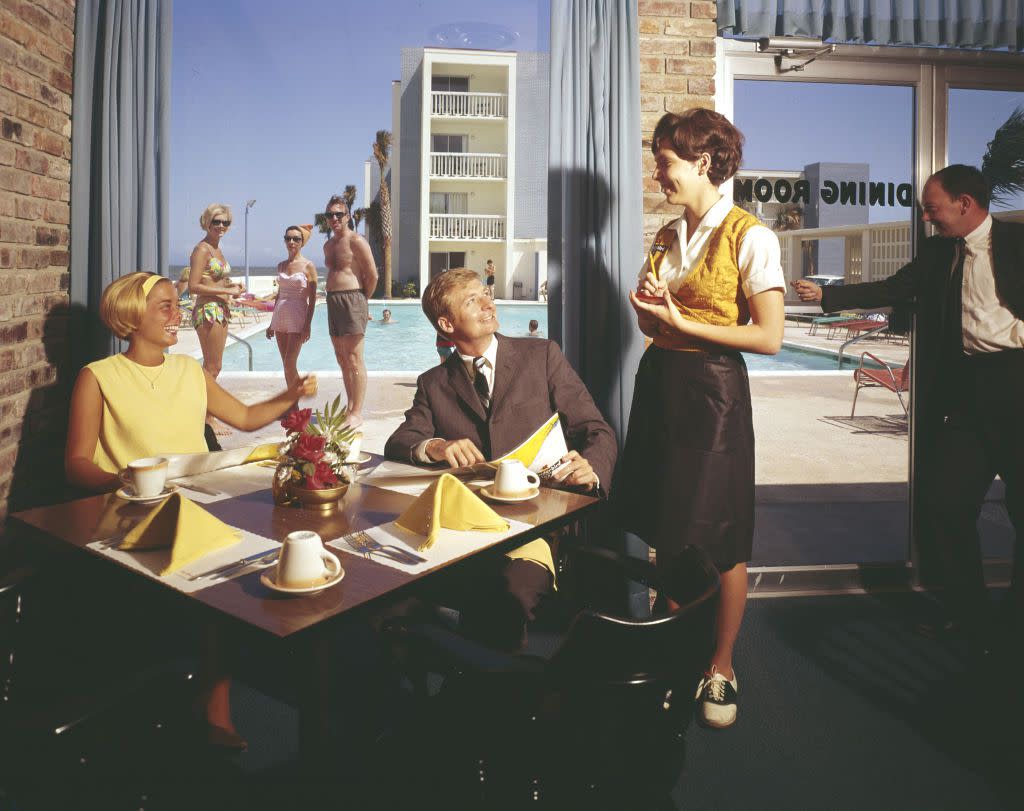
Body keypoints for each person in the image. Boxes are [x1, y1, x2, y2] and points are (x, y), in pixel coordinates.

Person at [65, 272, 318, 749]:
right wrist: (123, 478)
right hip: (130, 512)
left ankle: (216, 697)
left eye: (174, 304)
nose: (175, 313)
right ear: (130, 315)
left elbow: (243, 419)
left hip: (193, 505)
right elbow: (76, 465)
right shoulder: (97, 377)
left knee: (247, 556)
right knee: (219, 570)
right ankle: (211, 707)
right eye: (163, 305)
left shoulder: (188, 370)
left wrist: (291, 395)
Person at [793, 164, 1024, 654]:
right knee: (944, 506)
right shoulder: (940, 253)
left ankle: (1014, 629)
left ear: (965, 203)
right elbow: (893, 288)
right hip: (966, 398)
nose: (926, 215)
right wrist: (827, 295)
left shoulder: (1018, 242)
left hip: (1017, 387)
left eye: (932, 206)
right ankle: (972, 619)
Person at [613, 110, 785, 729]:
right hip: (661, 382)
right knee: (666, 521)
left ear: (703, 162)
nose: (659, 173)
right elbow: (651, 323)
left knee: (720, 535)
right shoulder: (665, 236)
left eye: (666, 162)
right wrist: (650, 314)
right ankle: (668, 644)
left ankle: (720, 663)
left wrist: (684, 323)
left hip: (713, 393)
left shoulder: (751, 236)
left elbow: (769, 338)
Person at [385, 268, 617, 650]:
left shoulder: (542, 356)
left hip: (535, 529)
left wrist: (591, 471)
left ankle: (485, 692)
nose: (487, 303)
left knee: (506, 598)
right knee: (394, 596)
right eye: (471, 300)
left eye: (485, 294)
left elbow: (597, 430)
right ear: (447, 323)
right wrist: (437, 446)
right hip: (464, 532)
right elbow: (402, 441)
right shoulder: (433, 384)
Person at [188, 203, 246, 445]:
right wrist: (225, 291)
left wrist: (231, 287)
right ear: (207, 222)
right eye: (216, 222)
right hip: (209, 310)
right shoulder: (202, 250)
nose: (221, 226)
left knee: (215, 366)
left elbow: (214, 280)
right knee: (212, 366)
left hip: (220, 309)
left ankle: (203, 413)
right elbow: (193, 286)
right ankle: (206, 416)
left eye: (225, 223)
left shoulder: (217, 250)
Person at [323, 195, 378, 429]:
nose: (334, 218)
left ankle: (357, 412)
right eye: (330, 215)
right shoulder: (328, 245)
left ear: (347, 217)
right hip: (333, 301)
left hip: (353, 298)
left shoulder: (356, 241)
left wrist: (362, 300)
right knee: (341, 358)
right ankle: (350, 406)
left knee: (355, 359)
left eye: (338, 214)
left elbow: (372, 274)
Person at [266, 225, 318, 394]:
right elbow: (279, 295)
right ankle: (294, 407)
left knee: (290, 364)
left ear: (302, 242)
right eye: (288, 238)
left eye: (296, 239)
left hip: (298, 316)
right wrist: (271, 323)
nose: (291, 242)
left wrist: (307, 325)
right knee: (286, 365)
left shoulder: (308, 266)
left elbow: (313, 299)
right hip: (280, 316)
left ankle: (295, 402)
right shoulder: (281, 265)